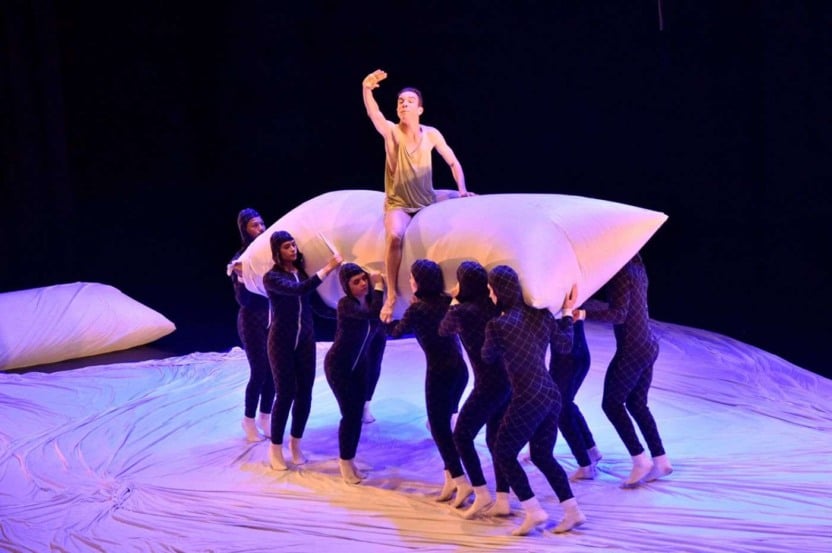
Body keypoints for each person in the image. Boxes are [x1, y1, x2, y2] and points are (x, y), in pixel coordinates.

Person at [362, 69, 473, 323]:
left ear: (420, 109)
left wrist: (462, 189)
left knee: (466, 198)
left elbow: (453, 162)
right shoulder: (391, 131)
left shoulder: (431, 134)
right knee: (394, 236)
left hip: (428, 199)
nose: (404, 104)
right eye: (400, 101)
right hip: (400, 204)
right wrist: (366, 89)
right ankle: (391, 295)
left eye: (410, 101)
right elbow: (374, 114)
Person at [482, 265, 585, 536]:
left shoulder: (498, 325)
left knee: (503, 452)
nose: (490, 295)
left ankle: (534, 511)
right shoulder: (541, 315)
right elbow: (565, 345)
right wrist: (566, 313)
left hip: (528, 396)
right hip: (551, 394)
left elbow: (487, 356)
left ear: (498, 291)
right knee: (542, 455)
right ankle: (573, 512)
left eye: (491, 290)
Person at [575, 252, 672, 487]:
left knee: (612, 404)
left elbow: (618, 314)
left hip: (633, 348)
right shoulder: (637, 267)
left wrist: (583, 314)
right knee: (637, 404)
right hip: (648, 343)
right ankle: (661, 460)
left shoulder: (621, 273)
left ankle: (640, 460)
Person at [390, 259, 472, 506]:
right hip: (460, 371)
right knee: (444, 425)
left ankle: (461, 481)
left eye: (411, 277)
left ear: (418, 281)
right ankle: (450, 478)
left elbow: (395, 332)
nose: (409, 281)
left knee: (439, 429)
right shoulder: (447, 301)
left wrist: (386, 311)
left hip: (439, 373)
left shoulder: (417, 309)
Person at [264, 230, 342, 471]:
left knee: (305, 393)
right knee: (285, 393)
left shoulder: (301, 273)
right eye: (287, 246)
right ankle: (275, 448)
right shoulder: (272, 278)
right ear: (277, 251)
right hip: (281, 342)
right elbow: (298, 290)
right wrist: (328, 268)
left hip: (306, 340)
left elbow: (316, 305)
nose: (293, 249)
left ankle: (295, 443)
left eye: (293, 245)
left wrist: (345, 314)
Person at [438, 261, 511, 518]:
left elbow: (444, 329)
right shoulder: (493, 306)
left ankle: (481, 492)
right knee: (495, 440)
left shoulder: (462, 311)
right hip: (507, 381)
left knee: (461, 435)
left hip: (488, 384)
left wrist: (454, 299)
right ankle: (503, 498)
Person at [324, 263, 385, 484]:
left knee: (356, 416)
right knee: (350, 416)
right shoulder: (346, 304)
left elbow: (382, 319)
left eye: (363, 279)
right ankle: (344, 462)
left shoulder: (367, 302)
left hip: (359, 366)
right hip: (338, 366)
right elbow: (372, 314)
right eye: (356, 281)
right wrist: (379, 286)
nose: (363, 284)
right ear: (346, 286)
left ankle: (350, 459)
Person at [230, 208, 274, 442]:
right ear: (244, 230)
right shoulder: (241, 259)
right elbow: (243, 300)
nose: (260, 229)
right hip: (251, 321)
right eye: (254, 225)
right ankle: (248, 420)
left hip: (272, 318)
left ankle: (265, 417)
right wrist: (243, 275)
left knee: (274, 372)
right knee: (259, 371)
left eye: (262, 223)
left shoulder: (272, 254)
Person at [549, 317, 603, 480]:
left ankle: (585, 464)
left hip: (567, 358)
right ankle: (590, 449)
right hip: (579, 354)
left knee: (560, 409)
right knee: (566, 404)